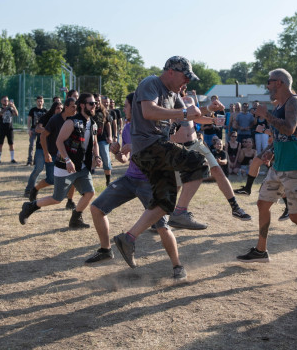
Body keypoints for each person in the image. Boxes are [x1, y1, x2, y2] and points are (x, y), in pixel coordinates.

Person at [111, 56, 224, 269]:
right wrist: (183, 112)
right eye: (185, 77)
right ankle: (181, 213)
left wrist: (208, 110)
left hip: (155, 149)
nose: (187, 83)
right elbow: (149, 111)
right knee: (199, 163)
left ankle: (129, 238)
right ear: (171, 71)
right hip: (148, 146)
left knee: (164, 204)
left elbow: (190, 117)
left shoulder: (174, 93)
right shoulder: (151, 83)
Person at [236, 68, 297, 278]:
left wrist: (265, 115)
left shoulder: (294, 102)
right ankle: (261, 251)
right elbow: (283, 137)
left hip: (295, 166)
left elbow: (289, 128)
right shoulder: (281, 106)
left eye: (269, 83)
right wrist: (269, 152)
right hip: (279, 166)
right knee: (263, 204)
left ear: (279, 82)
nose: (268, 87)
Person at [86, 93, 187, 280]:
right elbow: (126, 158)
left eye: (126, 106)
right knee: (96, 207)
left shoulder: (155, 127)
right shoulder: (127, 128)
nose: (123, 109)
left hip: (150, 183)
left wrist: (134, 145)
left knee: (162, 226)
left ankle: (177, 266)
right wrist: (118, 153)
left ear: (136, 108)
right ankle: (106, 249)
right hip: (130, 179)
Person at [19, 93, 101, 229]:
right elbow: (59, 141)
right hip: (65, 166)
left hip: (82, 167)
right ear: (82, 105)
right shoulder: (71, 122)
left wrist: (97, 156)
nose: (94, 106)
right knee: (57, 199)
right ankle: (30, 206)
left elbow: (95, 143)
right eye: (91, 104)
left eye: (95, 104)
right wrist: (68, 160)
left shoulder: (92, 124)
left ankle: (75, 219)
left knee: (89, 193)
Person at [170, 85, 251, 223]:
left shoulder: (189, 99)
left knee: (218, 171)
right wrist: (208, 109)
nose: (184, 84)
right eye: (182, 80)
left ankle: (235, 207)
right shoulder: (167, 100)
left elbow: (196, 118)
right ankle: (162, 217)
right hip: (178, 148)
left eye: (186, 82)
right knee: (176, 184)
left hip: (195, 143)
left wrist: (213, 120)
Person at [27, 98, 78, 211]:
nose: (76, 109)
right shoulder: (55, 119)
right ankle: (35, 189)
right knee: (51, 180)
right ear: (66, 107)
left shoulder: (75, 119)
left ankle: (70, 201)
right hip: (54, 153)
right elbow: (43, 136)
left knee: (73, 176)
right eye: (73, 107)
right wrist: (46, 153)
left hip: (68, 154)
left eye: (76, 107)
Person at [24, 101, 61, 198]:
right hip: (41, 148)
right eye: (58, 108)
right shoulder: (46, 117)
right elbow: (37, 129)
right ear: (53, 109)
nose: (60, 110)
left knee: (52, 177)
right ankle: (29, 189)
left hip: (53, 150)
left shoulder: (63, 119)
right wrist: (48, 130)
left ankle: (36, 189)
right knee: (38, 169)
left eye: (61, 108)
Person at [94, 93, 113, 187]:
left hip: (102, 139)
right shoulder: (89, 110)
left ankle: (108, 181)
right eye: (95, 100)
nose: (97, 102)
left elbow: (108, 124)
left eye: (98, 101)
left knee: (106, 159)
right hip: (91, 140)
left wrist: (110, 136)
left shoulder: (104, 111)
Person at [0, 95, 18, 164]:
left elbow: (16, 114)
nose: (6, 102)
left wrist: (13, 106)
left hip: (10, 129)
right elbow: (0, 113)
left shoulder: (10, 109)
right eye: (5, 100)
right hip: (2, 129)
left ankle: (12, 158)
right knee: (0, 144)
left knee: (11, 144)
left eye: (7, 100)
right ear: (1, 101)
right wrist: (8, 107)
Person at [26, 96, 46, 166]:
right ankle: (29, 161)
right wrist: (29, 130)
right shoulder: (32, 110)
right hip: (33, 129)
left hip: (41, 131)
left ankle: (36, 161)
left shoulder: (45, 111)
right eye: (38, 101)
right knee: (31, 145)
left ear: (43, 102)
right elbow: (29, 120)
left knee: (39, 146)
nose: (39, 102)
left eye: (41, 101)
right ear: (36, 102)